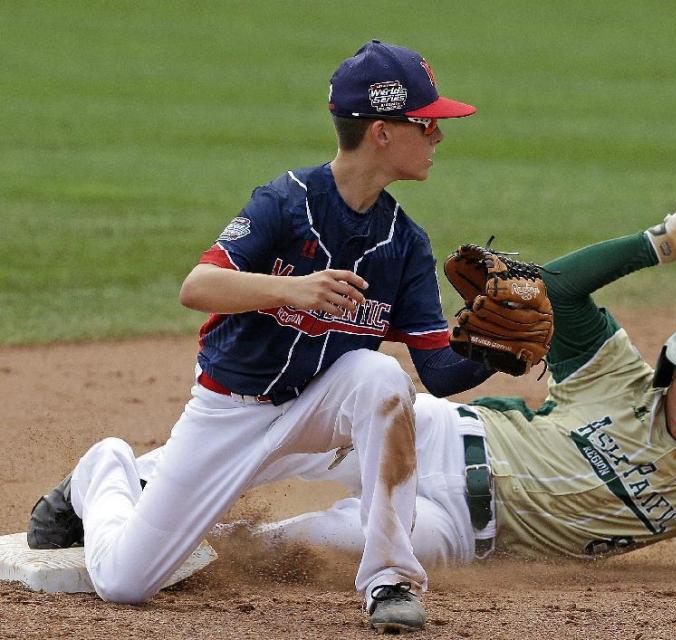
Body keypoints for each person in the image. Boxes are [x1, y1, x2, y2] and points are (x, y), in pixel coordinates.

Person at [232, 186, 676, 585]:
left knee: (309, 546)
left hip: (457, 534)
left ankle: (190, 552)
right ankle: (149, 486)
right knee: (266, 446)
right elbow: (555, 291)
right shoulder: (616, 376)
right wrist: (660, 245)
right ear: (672, 370)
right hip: (445, 439)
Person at [26, 40, 498, 634]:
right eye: (426, 123)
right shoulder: (285, 202)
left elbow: (438, 373)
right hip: (232, 415)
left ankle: (389, 579)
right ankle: (104, 468)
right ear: (381, 131)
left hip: (321, 416)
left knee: (380, 377)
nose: (438, 136)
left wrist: (492, 349)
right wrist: (291, 289)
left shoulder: (405, 242)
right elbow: (198, 286)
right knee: (125, 582)